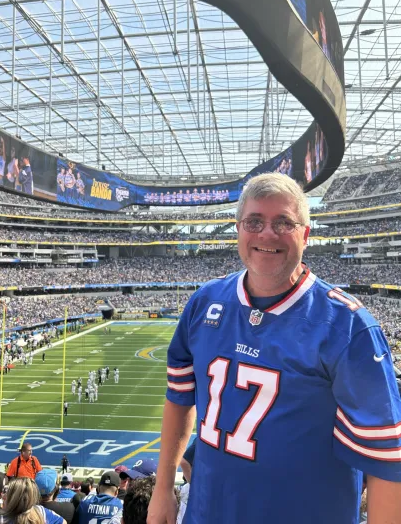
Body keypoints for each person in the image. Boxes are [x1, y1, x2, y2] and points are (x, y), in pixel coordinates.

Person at [148, 172, 401, 524]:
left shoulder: (348, 327)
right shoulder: (204, 302)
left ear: (306, 235)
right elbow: (179, 397)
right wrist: (162, 490)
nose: (267, 233)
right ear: (238, 228)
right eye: (255, 221)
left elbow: (386, 461)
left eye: (284, 222)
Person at [0, 476, 66, 524]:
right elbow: (63, 522)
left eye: (8, 493)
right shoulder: (41, 511)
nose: (3, 496)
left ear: (15, 499)